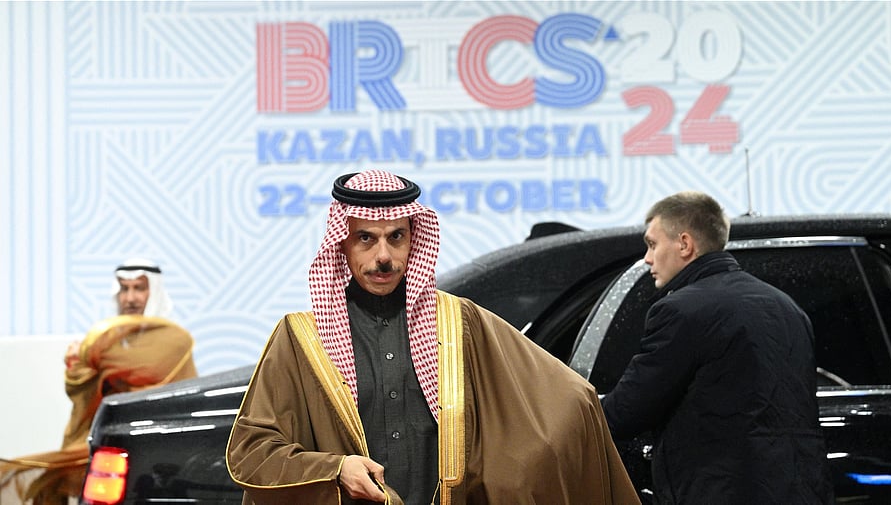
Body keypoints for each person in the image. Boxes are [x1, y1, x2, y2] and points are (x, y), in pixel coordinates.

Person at [226, 170, 639, 505]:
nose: (383, 256)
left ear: (414, 240)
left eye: (396, 237)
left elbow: (572, 399)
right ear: (343, 245)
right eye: (366, 238)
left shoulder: (460, 324)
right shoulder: (302, 339)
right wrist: (335, 469)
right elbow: (253, 452)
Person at [600, 191, 832, 504]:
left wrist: (572, 415)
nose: (647, 259)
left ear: (684, 244)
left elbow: (627, 411)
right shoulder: (789, 308)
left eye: (653, 244)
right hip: (802, 491)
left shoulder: (680, 310)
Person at [1, 259, 197, 505]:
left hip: (159, 449)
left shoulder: (176, 340)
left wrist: (87, 356)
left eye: (139, 288)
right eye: (124, 289)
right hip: (111, 445)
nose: (131, 298)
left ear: (154, 292)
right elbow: (78, 384)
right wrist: (82, 363)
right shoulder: (106, 343)